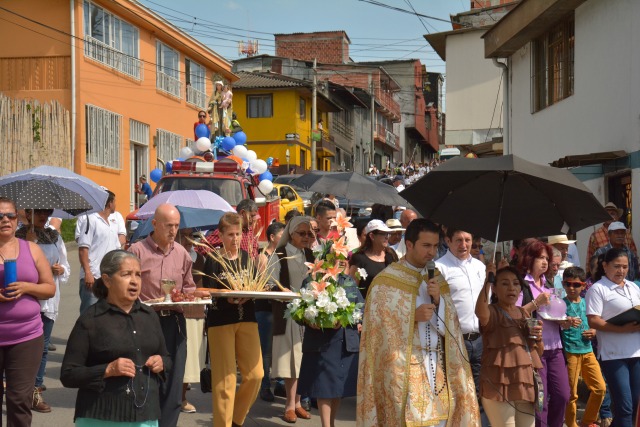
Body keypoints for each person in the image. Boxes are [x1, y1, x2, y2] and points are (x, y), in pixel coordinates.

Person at [357, 219, 480, 426]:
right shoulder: (386, 280)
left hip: (437, 365)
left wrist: (440, 302)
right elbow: (377, 327)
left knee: (439, 420)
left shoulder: (436, 278)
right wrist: (411, 316)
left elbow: (451, 324)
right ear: (410, 244)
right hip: (403, 365)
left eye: (434, 246)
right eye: (426, 246)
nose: (432, 252)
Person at [60, 250, 169, 427]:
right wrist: (108, 369)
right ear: (107, 280)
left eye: (138, 275)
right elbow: (68, 374)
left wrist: (161, 363)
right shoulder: (90, 320)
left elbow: (167, 358)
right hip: (101, 417)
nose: (134, 281)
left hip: (146, 416)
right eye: (126, 274)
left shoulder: (149, 315)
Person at [128, 204, 198, 427]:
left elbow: (189, 287)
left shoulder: (182, 253)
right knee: (146, 381)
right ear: (155, 224)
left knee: (173, 384)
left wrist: (187, 297)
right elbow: (126, 289)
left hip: (174, 323)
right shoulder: (137, 251)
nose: (173, 231)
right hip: (145, 321)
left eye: (177, 226)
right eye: (169, 225)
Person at [201, 212, 263, 427]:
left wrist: (250, 292)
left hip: (247, 317)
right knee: (225, 380)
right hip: (221, 320)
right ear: (221, 235)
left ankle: (236, 419)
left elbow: (257, 284)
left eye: (238, 234)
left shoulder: (247, 257)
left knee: (256, 374)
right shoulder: (213, 259)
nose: (235, 239)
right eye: (230, 234)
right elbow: (206, 290)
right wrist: (226, 294)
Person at [0, 197, 56, 427]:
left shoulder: (31, 248)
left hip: (26, 337)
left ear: (17, 219)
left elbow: (49, 288)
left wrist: (26, 287)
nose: (5, 220)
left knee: (19, 399)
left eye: (10, 215)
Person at [16, 208, 71, 413]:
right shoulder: (18, 237)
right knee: (20, 347)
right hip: (26, 299)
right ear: (28, 213)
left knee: (43, 346)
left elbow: (65, 265)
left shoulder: (54, 236)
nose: (43, 216)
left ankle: (35, 390)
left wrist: (61, 269)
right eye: (38, 212)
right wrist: (30, 243)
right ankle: (16, 387)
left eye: (47, 212)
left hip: (48, 300)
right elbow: (19, 267)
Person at [475, 266, 543, 427]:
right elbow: (480, 311)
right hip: (498, 383)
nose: (511, 288)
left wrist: (538, 338)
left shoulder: (525, 313)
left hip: (524, 382)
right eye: (505, 284)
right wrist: (488, 279)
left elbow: (538, 353)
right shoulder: (492, 312)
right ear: (494, 289)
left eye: (515, 283)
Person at [297, 274, 364, 427]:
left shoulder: (348, 281)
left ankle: (331, 424)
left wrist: (356, 320)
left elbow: (361, 306)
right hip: (322, 343)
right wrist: (308, 320)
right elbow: (298, 310)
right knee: (324, 388)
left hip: (343, 343)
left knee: (337, 389)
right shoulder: (310, 280)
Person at [435, 229, 487, 424]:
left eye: (467, 240)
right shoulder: (440, 268)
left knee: (482, 391)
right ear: (448, 241)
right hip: (455, 339)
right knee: (458, 391)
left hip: (481, 338)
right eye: (458, 240)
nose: (464, 245)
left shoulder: (481, 267)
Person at [516, 240, 570, 427]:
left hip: (555, 347)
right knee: (540, 398)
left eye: (547, 258)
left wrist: (565, 322)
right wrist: (536, 303)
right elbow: (515, 315)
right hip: (534, 349)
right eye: (540, 258)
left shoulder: (551, 285)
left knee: (563, 395)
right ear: (529, 259)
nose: (545, 262)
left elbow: (557, 314)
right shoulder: (522, 284)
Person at [586, 248, 640, 427]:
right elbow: (593, 321)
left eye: (625, 267)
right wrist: (622, 329)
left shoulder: (633, 286)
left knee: (634, 404)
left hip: (636, 352)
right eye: (617, 266)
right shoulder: (598, 289)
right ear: (605, 265)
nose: (621, 271)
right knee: (624, 406)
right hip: (614, 354)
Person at [269, 216, 314, 423]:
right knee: (290, 360)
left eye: (309, 233)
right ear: (291, 234)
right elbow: (271, 282)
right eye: (302, 233)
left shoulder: (311, 254)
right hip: (288, 313)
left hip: (308, 314)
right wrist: (284, 292)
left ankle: (297, 403)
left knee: (304, 360)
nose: (306, 237)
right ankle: (289, 404)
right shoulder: (280, 254)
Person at [560, 266, 606, 427]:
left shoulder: (588, 302)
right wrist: (565, 322)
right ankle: (572, 424)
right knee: (572, 394)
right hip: (570, 352)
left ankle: (587, 421)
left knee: (600, 388)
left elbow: (596, 322)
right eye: (568, 284)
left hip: (588, 351)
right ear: (563, 284)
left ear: (584, 286)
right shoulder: (560, 304)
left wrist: (594, 330)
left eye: (576, 284)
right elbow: (556, 324)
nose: (572, 288)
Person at [76, 190, 122, 314]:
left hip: (109, 279)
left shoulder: (112, 223)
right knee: (89, 314)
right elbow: (83, 249)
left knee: (106, 314)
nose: (115, 204)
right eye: (115, 201)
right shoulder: (91, 219)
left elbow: (116, 250)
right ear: (109, 203)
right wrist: (88, 272)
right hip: (93, 277)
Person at [177, 229, 206, 414]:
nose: (188, 240)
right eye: (184, 235)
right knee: (177, 356)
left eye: (191, 235)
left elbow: (203, 286)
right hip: (177, 310)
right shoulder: (173, 256)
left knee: (190, 359)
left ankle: (182, 398)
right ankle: (172, 397)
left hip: (195, 310)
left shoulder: (201, 258)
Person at [257, 221, 285, 402]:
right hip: (265, 307)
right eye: (282, 235)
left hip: (281, 305)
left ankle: (281, 383)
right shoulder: (263, 256)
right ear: (273, 237)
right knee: (265, 350)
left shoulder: (285, 255)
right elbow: (261, 282)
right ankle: (265, 385)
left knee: (280, 347)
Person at [348, 219, 398, 298]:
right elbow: (352, 289)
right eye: (383, 234)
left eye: (387, 234)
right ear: (372, 236)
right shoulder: (359, 258)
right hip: (366, 307)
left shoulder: (391, 254)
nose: (387, 237)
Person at [587, 202, 637, 272]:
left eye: (613, 213)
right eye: (607, 214)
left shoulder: (627, 234)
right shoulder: (595, 235)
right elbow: (590, 259)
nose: (610, 216)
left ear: (618, 216)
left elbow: (634, 255)